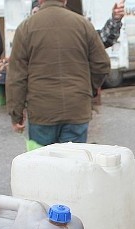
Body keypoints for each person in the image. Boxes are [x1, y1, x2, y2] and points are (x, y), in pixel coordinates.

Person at [6, 0, 110, 146]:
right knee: (73, 164)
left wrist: (16, 114)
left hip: (42, 111)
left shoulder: (26, 28)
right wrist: (87, 91)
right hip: (77, 108)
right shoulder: (83, 25)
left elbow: (17, 77)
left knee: (44, 165)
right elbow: (102, 64)